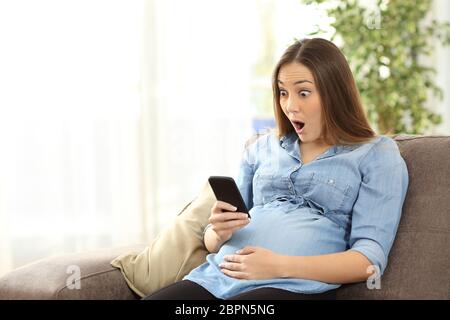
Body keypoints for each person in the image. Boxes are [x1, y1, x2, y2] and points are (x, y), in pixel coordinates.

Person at [143, 38, 409, 300]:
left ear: (335, 94)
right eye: (283, 92)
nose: (290, 106)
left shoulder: (376, 154)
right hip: (214, 278)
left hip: (291, 286)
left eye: (303, 92)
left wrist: (278, 265)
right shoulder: (262, 148)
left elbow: (368, 261)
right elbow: (213, 242)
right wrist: (218, 231)